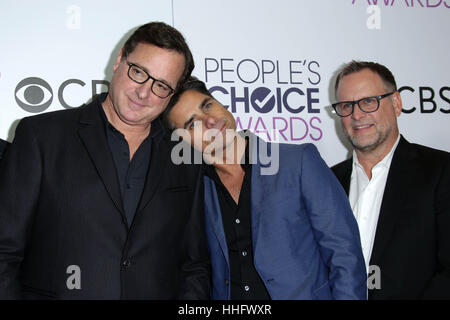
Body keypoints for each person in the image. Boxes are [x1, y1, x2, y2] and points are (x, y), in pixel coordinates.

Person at [0, 22, 210, 299]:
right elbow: (4, 251)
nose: (143, 92)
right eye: (138, 73)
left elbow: (193, 265)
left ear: (172, 94)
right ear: (120, 60)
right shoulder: (42, 137)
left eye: (161, 85)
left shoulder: (185, 158)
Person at [163, 77, 367, 300]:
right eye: (193, 124)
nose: (210, 120)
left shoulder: (298, 161)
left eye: (208, 105)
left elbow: (345, 255)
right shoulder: (195, 193)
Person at [331, 60, 450, 299]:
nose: (356, 114)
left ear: (396, 103)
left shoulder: (441, 171)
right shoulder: (328, 181)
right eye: (346, 105)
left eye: (368, 102)